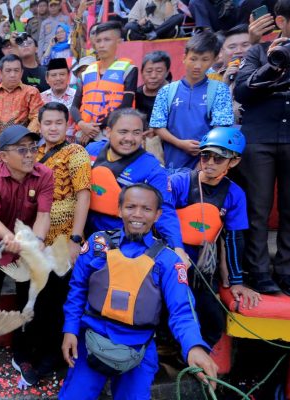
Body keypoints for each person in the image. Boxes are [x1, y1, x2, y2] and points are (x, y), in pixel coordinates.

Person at [59, 183, 218, 400]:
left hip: (139, 348)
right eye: (130, 207)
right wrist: (70, 329)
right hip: (90, 341)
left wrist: (193, 346)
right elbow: (77, 289)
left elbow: (182, 309)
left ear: (158, 215)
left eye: (146, 209)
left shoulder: (168, 260)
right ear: (119, 210)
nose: (137, 214)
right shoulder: (98, 244)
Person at [234, 0, 290, 299]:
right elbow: (242, 91)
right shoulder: (257, 51)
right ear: (282, 22)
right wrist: (275, 63)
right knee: (257, 209)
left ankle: (288, 274)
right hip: (259, 139)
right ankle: (257, 272)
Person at [0, 125, 54, 387]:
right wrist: (10, 239)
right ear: (4, 156)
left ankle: (22, 354)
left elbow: (43, 215)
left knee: (25, 303)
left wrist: (36, 242)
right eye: (22, 150)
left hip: (28, 246)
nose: (30, 155)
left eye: (33, 148)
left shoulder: (44, 174)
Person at [168, 127, 261, 346]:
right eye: (205, 155)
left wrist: (236, 281)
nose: (209, 162)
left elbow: (234, 238)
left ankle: (193, 355)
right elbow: (163, 218)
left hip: (203, 264)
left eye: (218, 158)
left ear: (234, 162)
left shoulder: (234, 194)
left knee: (212, 322)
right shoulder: (180, 182)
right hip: (172, 256)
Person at [85, 108, 188, 265]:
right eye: (123, 132)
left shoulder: (153, 169)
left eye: (136, 133)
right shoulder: (90, 151)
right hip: (82, 231)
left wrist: (177, 247)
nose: (129, 138)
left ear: (143, 135)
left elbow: (165, 210)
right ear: (108, 132)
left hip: (119, 241)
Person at [32, 102, 90, 375]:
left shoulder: (76, 153)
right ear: (40, 125)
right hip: (39, 238)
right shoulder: (35, 153)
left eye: (58, 122)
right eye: (48, 123)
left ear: (68, 124)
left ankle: (57, 359)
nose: (53, 128)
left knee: (60, 300)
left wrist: (75, 239)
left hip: (64, 239)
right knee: (42, 298)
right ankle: (42, 353)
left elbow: (83, 195)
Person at [149, 31, 234, 171]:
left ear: (214, 60)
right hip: (171, 163)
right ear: (184, 58)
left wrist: (205, 153)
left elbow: (221, 128)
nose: (197, 65)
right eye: (193, 59)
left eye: (205, 60)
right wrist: (180, 143)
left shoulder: (220, 90)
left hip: (205, 164)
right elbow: (157, 126)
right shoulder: (167, 90)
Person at [70, 21, 138, 144]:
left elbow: (126, 105)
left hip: (112, 134)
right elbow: (74, 106)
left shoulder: (129, 70)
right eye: (98, 41)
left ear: (119, 42)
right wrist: (82, 124)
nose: (101, 45)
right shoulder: (87, 72)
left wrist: (95, 128)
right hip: (83, 132)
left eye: (107, 40)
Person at [0, 54, 44, 160]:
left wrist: (24, 138)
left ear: (22, 72)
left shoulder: (31, 92)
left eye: (16, 70)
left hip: (23, 150)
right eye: (8, 71)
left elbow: (37, 117)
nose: (12, 75)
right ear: (1, 73)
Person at [41, 58, 76, 140]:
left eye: (62, 74)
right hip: (47, 141)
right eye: (53, 75)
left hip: (72, 141)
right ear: (47, 79)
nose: (58, 78)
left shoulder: (77, 95)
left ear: (68, 76)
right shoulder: (40, 98)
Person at [135, 51, 171, 123]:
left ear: (167, 72)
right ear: (141, 72)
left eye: (159, 71)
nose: (153, 76)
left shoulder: (175, 93)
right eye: (149, 71)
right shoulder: (136, 95)